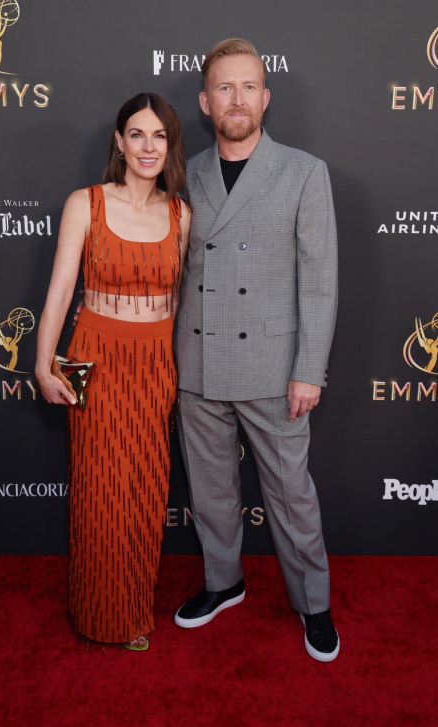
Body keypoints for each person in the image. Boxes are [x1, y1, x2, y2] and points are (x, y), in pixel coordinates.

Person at [172, 39, 340, 662]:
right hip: (196, 361)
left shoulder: (303, 171)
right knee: (210, 488)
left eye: (248, 87)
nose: (236, 99)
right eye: (224, 88)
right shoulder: (184, 173)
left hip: (273, 367)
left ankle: (313, 604)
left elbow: (319, 280)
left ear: (266, 98)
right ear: (205, 101)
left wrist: (308, 369)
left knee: (291, 494)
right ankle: (224, 583)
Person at [35, 93, 190, 650]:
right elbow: (59, 292)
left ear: (170, 145)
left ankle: (132, 610)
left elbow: (181, 303)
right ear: (120, 142)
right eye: (138, 134)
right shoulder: (86, 203)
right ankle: (97, 612)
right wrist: (42, 360)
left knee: (147, 491)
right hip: (94, 357)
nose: (148, 146)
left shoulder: (181, 213)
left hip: (155, 363)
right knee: (99, 490)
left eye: (160, 136)